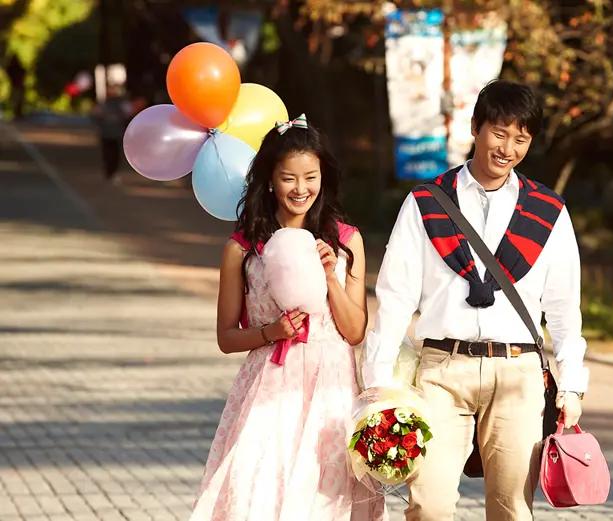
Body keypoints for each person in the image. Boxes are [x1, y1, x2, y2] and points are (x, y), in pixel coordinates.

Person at [361, 80, 589, 521]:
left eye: (521, 139)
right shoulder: (426, 203)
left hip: (518, 373)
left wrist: (572, 385)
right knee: (427, 506)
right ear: (475, 128)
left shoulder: (547, 211)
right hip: (441, 371)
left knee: (512, 509)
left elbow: (564, 307)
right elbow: (395, 296)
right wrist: (377, 383)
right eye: (499, 134)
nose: (508, 149)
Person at [191, 115, 386, 520]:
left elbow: (355, 331)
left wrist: (330, 276)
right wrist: (271, 332)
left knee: (323, 497)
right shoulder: (242, 248)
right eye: (288, 178)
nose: (301, 189)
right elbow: (226, 337)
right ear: (269, 181)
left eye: (310, 177)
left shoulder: (346, 240)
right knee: (258, 492)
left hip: (331, 386)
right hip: (269, 385)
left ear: (323, 178)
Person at [90, 83, 131, 182]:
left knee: (115, 155)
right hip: (106, 134)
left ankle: (113, 172)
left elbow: (128, 115)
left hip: (116, 134)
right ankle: (109, 172)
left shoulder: (121, 104)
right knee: (108, 154)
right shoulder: (104, 104)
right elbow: (95, 116)